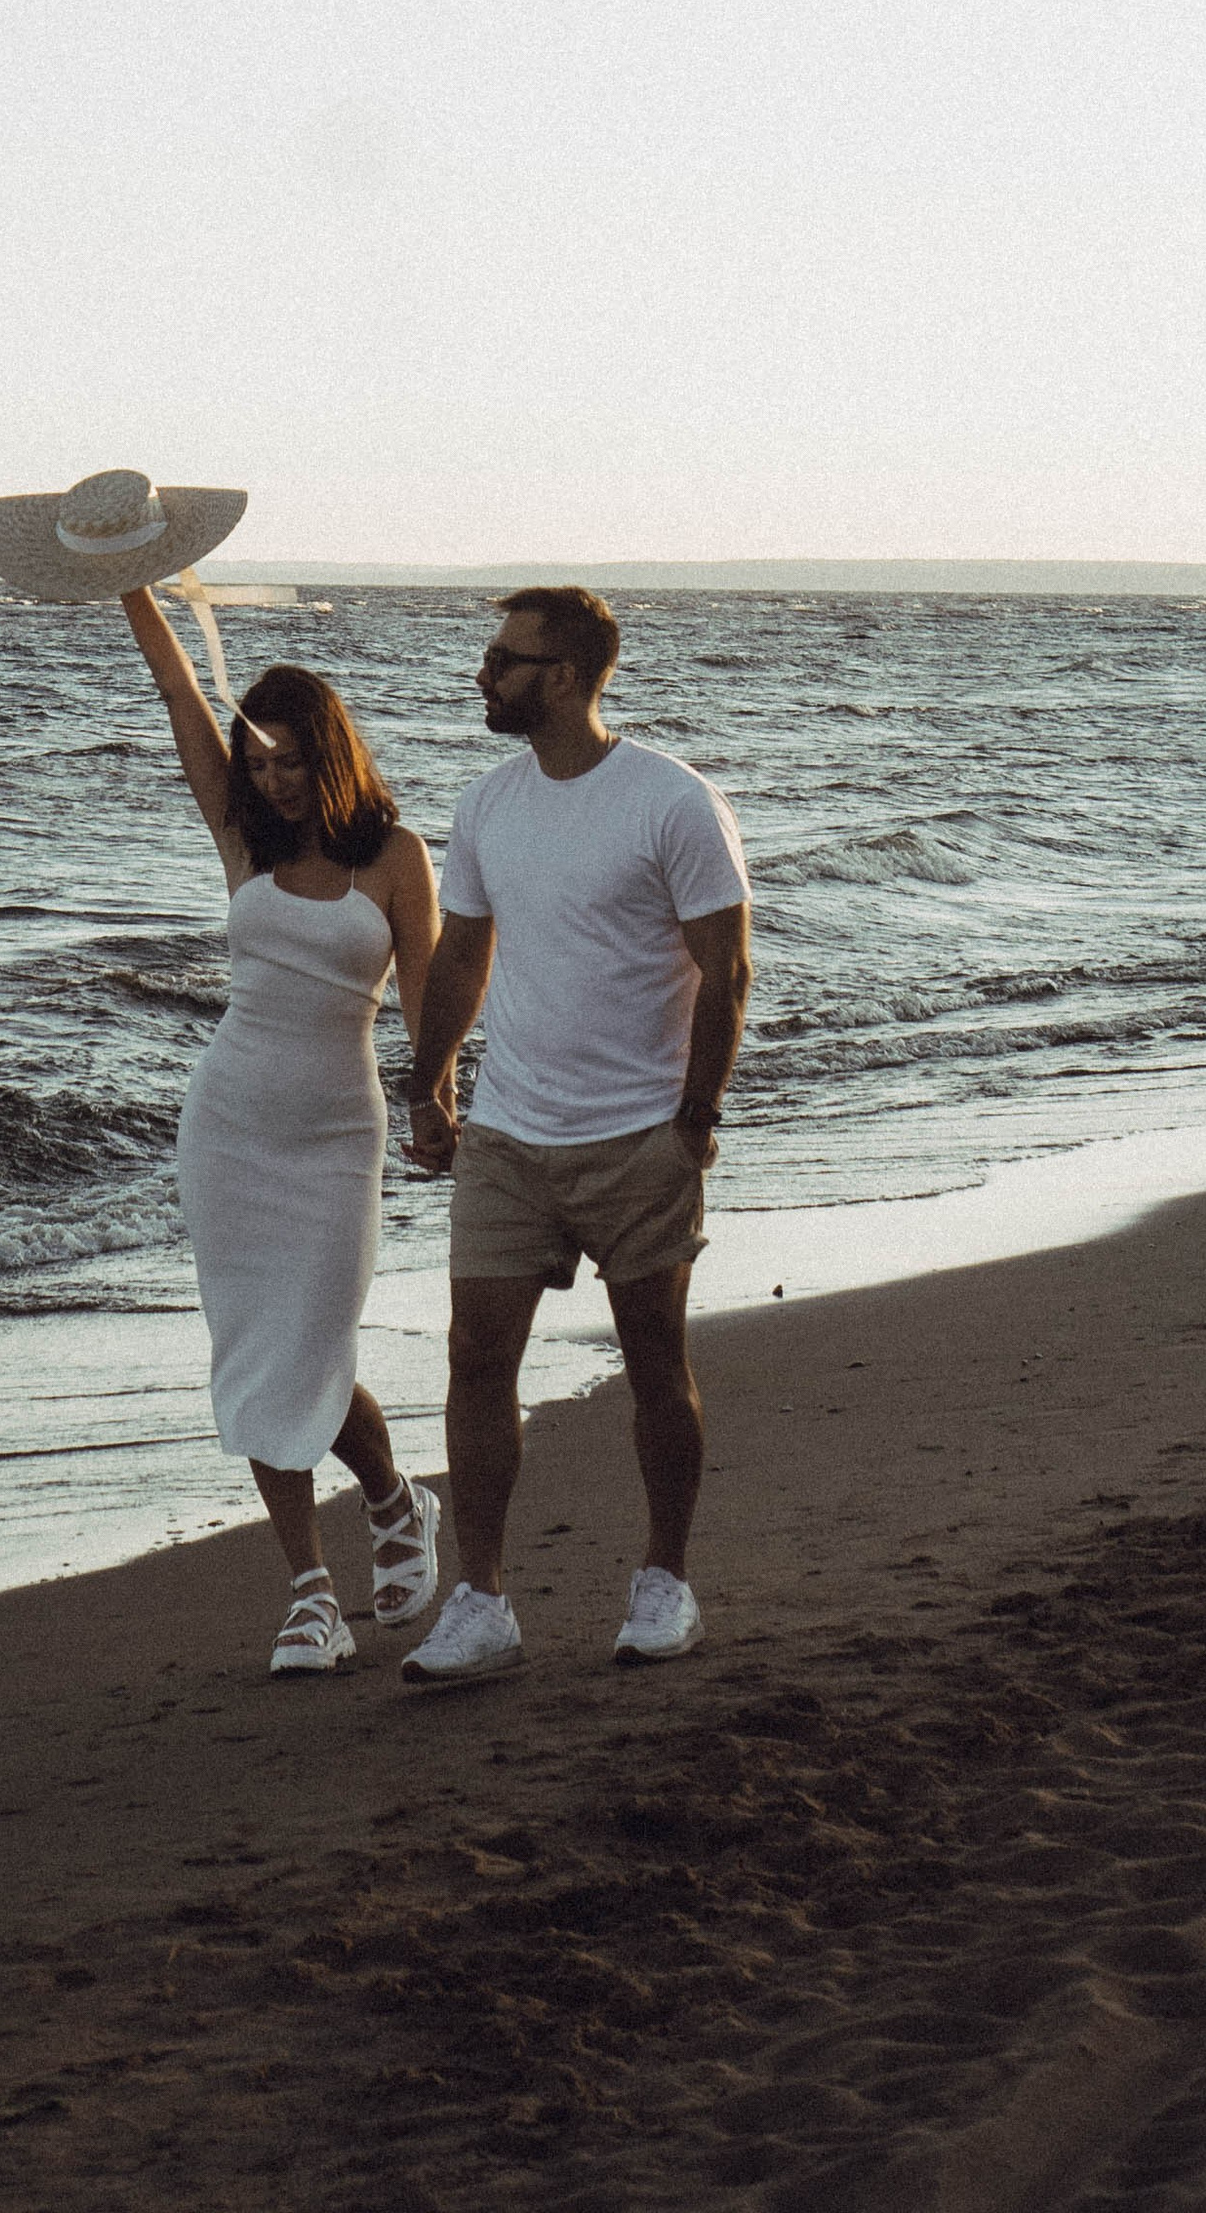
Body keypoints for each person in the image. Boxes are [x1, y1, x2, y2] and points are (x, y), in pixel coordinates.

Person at [400, 585, 750, 1687]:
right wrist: (429, 1084)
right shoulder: (488, 804)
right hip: (508, 1133)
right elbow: (462, 955)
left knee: (654, 1364)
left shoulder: (671, 802)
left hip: (636, 1136)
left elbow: (725, 970)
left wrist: (691, 1125)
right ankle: (481, 1599)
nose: (483, 673)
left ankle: (663, 1582)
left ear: (562, 676)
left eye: (504, 658)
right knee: (473, 1364)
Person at [121, 585, 445, 1673]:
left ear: (330, 755)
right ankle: (309, 1593)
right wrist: (133, 579)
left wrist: (435, 1095)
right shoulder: (242, 843)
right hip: (229, 1128)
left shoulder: (395, 856)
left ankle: (397, 1499)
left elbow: (427, 1000)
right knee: (257, 1355)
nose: (269, 781)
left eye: (288, 764)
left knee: (313, 1343)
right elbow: (177, 691)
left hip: (334, 1137)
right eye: (256, 766)